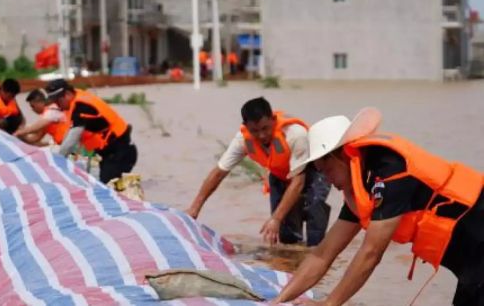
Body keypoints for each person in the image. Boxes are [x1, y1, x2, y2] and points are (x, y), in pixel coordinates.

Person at [272, 109, 484, 306]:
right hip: (471, 265)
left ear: (343, 155)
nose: (327, 179)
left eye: (327, 169)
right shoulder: (362, 186)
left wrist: (328, 304)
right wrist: (278, 301)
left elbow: (371, 253)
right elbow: (324, 253)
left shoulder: (391, 171)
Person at [186, 97, 331, 246]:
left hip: (313, 171)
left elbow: (298, 182)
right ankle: (289, 262)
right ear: (246, 126)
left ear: (273, 119)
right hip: (280, 175)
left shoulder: (295, 134)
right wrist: (194, 209)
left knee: (315, 227)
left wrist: (276, 218)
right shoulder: (242, 140)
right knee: (287, 238)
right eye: (254, 131)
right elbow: (219, 172)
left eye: (265, 128)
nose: (261, 135)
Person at [44, 79, 137, 183]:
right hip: (111, 152)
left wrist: (58, 161)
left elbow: (72, 139)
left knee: (107, 187)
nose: (57, 105)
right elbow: (70, 132)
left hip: (120, 152)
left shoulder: (81, 107)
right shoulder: (77, 98)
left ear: (67, 94)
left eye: (58, 101)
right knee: (106, 184)